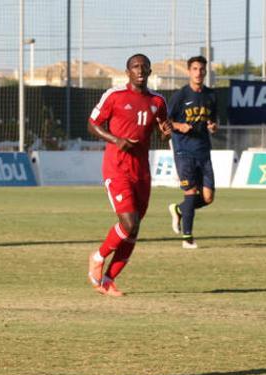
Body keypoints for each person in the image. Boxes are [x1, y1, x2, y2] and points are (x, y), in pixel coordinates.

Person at [86, 54, 171, 296]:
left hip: (142, 171)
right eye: (135, 66)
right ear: (128, 72)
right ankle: (97, 257)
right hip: (117, 168)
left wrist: (167, 132)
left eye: (144, 67)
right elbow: (92, 124)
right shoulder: (114, 96)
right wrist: (116, 140)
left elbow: (164, 129)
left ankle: (108, 280)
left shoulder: (158, 101)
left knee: (134, 229)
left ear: (150, 71)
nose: (140, 70)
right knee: (129, 221)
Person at [167, 55, 218, 249]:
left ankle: (179, 210)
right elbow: (166, 121)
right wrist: (180, 126)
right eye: (195, 69)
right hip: (184, 151)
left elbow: (213, 122)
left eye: (202, 69)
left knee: (207, 198)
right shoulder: (180, 96)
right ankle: (187, 238)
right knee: (191, 192)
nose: (199, 72)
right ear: (189, 71)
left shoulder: (211, 96)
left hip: (203, 151)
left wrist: (213, 127)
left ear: (206, 72)